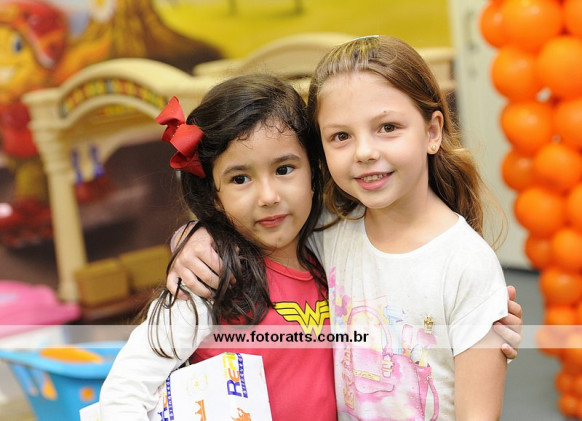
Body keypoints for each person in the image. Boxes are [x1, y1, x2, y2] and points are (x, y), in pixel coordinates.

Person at [166, 36, 524, 420]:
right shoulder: (328, 229)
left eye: (388, 127)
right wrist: (193, 237)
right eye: (341, 136)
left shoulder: (467, 264)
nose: (364, 152)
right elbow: (253, 227)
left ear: (432, 132)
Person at [99, 74, 337, 420]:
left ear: (313, 173)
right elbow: (124, 391)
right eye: (240, 178)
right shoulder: (206, 278)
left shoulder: (331, 252)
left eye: (284, 169)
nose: (268, 196)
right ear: (214, 195)